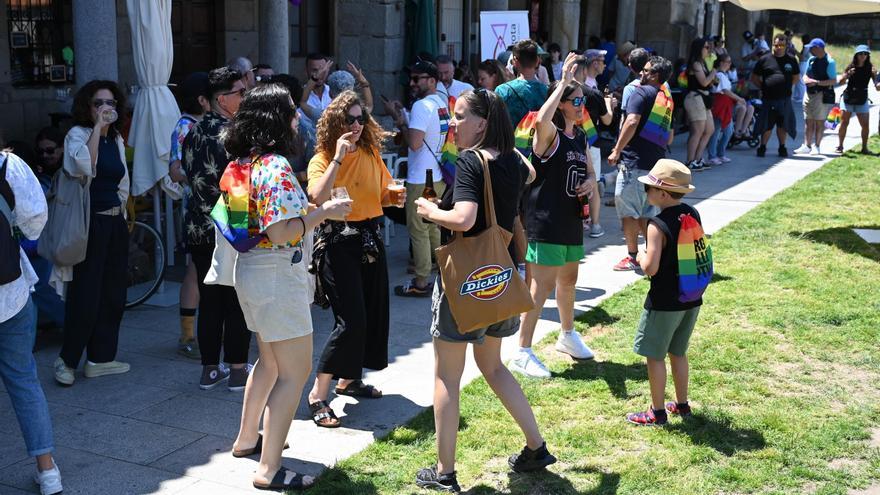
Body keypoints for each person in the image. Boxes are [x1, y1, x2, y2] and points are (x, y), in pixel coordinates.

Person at [413, 88, 555, 492]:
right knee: (492, 366)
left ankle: (444, 473)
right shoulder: (512, 159)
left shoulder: (473, 160)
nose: (451, 124)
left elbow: (464, 216)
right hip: (502, 276)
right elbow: (528, 173)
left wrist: (429, 211)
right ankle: (536, 446)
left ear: (483, 123)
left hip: (467, 280)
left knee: (447, 377)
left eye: (459, 117)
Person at [225, 83, 352, 491]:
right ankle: (270, 469)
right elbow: (281, 232)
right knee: (294, 374)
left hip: (252, 272)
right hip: (277, 274)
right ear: (277, 119)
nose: (298, 118)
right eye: (292, 111)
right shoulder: (276, 165)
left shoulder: (244, 161)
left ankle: (248, 440)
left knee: (270, 361)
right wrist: (325, 213)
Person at [305, 91, 405, 427]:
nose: (357, 125)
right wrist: (337, 158)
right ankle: (318, 394)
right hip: (337, 242)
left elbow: (381, 195)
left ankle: (348, 379)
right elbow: (316, 198)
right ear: (335, 124)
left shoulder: (370, 151)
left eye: (361, 118)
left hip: (370, 239)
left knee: (373, 313)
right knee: (351, 319)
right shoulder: (322, 158)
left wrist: (395, 196)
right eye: (350, 119)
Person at [510, 53, 596, 379]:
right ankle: (522, 350)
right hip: (545, 220)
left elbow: (588, 171)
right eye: (574, 101)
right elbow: (541, 122)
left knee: (569, 281)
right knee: (540, 288)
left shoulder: (580, 136)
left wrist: (589, 183)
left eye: (581, 101)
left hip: (571, 219)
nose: (579, 105)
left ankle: (567, 335)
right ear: (561, 103)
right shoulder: (550, 135)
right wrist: (561, 84)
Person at [53, 80, 131, 386]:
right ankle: (67, 360)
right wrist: (98, 129)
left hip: (114, 222)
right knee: (85, 295)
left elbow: (121, 180)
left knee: (113, 293)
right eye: (99, 103)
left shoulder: (117, 140)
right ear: (88, 106)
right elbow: (84, 167)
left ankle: (101, 357)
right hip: (89, 224)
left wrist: (124, 214)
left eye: (110, 103)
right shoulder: (79, 135)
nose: (105, 108)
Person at [182, 67, 252, 391]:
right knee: (235, 298)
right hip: (227, 226)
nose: (245, 95)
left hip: (197, 226)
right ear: (222, 99)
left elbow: (186, 172)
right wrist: (243, 233)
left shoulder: (193, 131)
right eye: (240, 91)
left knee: (210, 300)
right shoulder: (234, 133)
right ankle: (237, 370)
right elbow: (239, 186)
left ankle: (210, 369)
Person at [1, 148, 64, 495]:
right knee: (24, 382)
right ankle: (48, 471)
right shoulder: (8, 164)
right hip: (9, 291)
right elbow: (35, 220)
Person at [626, 159, 703, 426]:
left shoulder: (656, 225)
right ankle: (682, 405)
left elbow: (650, 268)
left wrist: (642, 250)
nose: (646, 192)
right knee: (678, 352)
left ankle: (656, 412)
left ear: (662, 192)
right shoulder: (692, 213)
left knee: (655, 356)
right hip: (690, 298)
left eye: (649, 188)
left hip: (664, 302)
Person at [385, 61, 448, 297]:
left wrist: (400, 120)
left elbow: (414, 143)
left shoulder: (422, 105)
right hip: (437, 175)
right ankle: (443, 274)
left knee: (419, 229)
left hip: (421, 177)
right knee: (433, 228)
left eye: (417, 78)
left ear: (432, 80)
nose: (412, 83)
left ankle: (421, 282)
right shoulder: (440, 103)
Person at [608, 56, 674, 272]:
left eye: (646, 71)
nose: (641, 74)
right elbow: (670, 136)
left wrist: (617, 149)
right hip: (656, 165)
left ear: (654, 75)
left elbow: (632, 120)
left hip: (634, 164)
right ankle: (654, 254)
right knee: (647, 212)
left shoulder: (640, 92)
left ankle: (632, 256)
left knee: (628, 212)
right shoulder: (665, 98)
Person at [169, 71, 211, 360]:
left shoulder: (200, 124)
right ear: (201, 99)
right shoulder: (185, 127)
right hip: (196, 208)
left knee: (201, 269)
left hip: (208, 207)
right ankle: (188, 334)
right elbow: (175, 170)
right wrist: (201, 179)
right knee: (196, 270)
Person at [573, 54, 616, 238]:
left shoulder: (558, 90)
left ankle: (577, 221)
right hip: (590, 143)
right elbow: (607, 120)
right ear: (584, 70)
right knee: (593, 181)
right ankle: (595, 225)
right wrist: (608, 103)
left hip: (566, 140)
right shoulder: (593, 94)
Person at [28, 127, 66, 329]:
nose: (45, 155)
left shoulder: (69, 170)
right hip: (43, 237)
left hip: (60, 236)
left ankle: (70, 323)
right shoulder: (40, 175)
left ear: (61, 149)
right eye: (41, 151)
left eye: (50, 151)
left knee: (40, 284)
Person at [751, 34, 800, 158]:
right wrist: (764, 86)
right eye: (776, 45)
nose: (778, 47)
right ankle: (762, 147)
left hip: (784, 98)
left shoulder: (791, 60)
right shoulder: (764, 59)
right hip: (768, 98)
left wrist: (786, 85)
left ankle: (782, 147)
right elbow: (754, 77)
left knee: (782, 125)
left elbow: (796, 77)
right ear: (773, 44)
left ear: (786, 46)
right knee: (767, 125)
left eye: (781, 45)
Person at [795, 38, 836, 155]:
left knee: (819, 122)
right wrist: (806, 79)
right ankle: (806, 145)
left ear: (818, 48)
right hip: (808, 94)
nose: (810, 51)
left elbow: (833, 80)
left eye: (812, 48)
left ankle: (816, 146)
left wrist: (817, 82)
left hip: (821, 95)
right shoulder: (811, 60)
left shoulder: (830, 62)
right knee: (808, 121)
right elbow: (805, 76)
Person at [495, 39, 549, 127]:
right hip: (539, 140)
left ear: (515, 61)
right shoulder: (547, 91)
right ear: (537, 61)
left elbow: (496, 124)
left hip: (511, 140)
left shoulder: (502, 90)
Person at [684, 38, 717, 171]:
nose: (708, 50)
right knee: (697, 131)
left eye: (709, 47)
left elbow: (707, 83)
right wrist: (714, 73)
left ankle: (698, 159)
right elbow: (703, 82)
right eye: (706, 47)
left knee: (709, 130)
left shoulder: (702, 63)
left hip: (703, 98)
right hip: (695, 98)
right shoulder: (696, 64)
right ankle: (690, 161)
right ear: (699, 49)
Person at [706, 54, 745, 166]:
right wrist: (739, 98)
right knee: (717, 131)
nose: (729, 64)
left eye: (730, 62)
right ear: (721, 62)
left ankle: (720, 153)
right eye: (727, 61)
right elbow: (725, 90)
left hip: (725, 104)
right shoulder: (719, 74)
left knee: (728, 130)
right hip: (720, 104)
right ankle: (712, 155)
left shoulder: (723, 74)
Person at [836, 46, 876, 154]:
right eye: (860, 54)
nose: (863, 56)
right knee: (844, 122)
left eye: (865, 54)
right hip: (848, 97)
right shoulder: (851, 67)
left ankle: (864, 148)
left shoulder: (870, 68)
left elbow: (877, 86)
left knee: (865, 125)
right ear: (856, 55)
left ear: (868, 56)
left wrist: (876, 75)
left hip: (862, 98)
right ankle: (840, 146)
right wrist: (847, 74)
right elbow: (840, 82)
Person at [300, 53, 334, 126]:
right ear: (306, 71)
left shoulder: (334, 92)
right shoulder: (300, 94)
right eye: (315, 70)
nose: (320, 73)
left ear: (328, 70)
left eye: (323, 70)